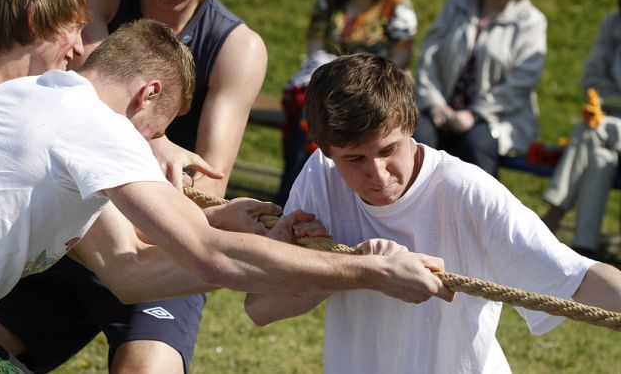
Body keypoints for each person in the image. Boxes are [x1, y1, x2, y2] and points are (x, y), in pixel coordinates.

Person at [0, 13, 456, 373]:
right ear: (148, 93)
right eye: (156, 131)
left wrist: (225, 225)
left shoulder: (32, 95)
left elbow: (126, 271)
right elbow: (210, 257)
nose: (149, 146)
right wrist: (373, 271)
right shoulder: (99, 126)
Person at [0, 0, 270, 372]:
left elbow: (202, 199)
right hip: (67, 234)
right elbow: (87, 90)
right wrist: (151, 145)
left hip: (155, 236)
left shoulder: (237, 48)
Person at [244, 53, 621, 373]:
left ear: (409, 125)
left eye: (388, 150)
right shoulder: (322, 177)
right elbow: (260, 308)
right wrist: (356, 270)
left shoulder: (466, 191)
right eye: (355, 159)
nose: (378, 174)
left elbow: (576, 277)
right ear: (326, 150)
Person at [277, 0, 418, 205]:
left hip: (383, 91)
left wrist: (364, 85)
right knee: (306, 119)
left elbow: (401, 56)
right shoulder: (329, 0)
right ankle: (295, 197)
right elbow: (314, 48)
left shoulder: (396, 3)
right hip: (334, 90)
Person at [413, 0, 546, 177]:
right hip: (441, 110)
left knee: (475, 145)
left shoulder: (530, 22)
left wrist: (474, 115)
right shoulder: (456, 5)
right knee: (417, 141)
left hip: (497, 117)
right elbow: (428, 58)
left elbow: (521, 83)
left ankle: (481, 213)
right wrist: (435, 104)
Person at [541, 0, 621, 261]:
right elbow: (592, 78)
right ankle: (584, 248)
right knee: (600, 158)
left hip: (607, 122)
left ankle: (552, 216)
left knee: (590, 129)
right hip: (610, 121)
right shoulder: (614, 24)